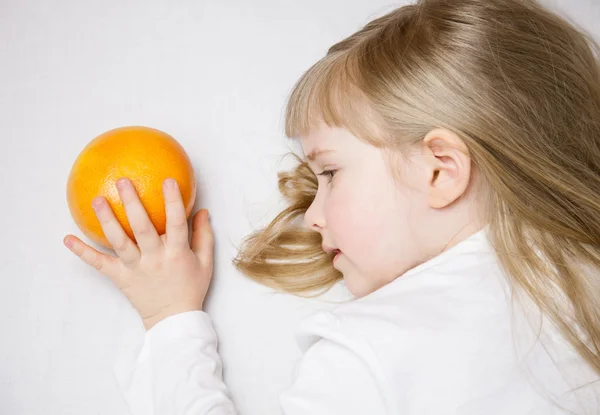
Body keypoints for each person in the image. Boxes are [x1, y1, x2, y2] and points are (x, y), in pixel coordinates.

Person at [63, 0, 600, 413]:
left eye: (330, 173)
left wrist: (170, 320)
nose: (312, 215)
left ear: (441, 170)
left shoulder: (371, 353)